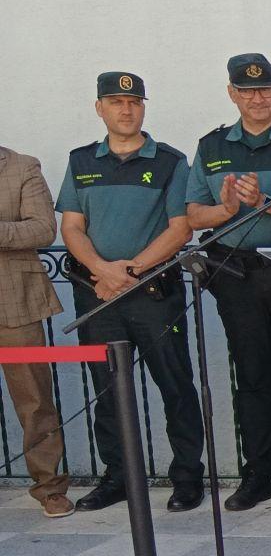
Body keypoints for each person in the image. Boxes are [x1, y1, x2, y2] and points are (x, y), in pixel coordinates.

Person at [184, 53, 271, 511]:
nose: (257, 98)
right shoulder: (211, 147)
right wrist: (226, 211)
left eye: (265, 89)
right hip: (236, 274)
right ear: (232, 94)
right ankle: (258, 475)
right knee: (250, 378)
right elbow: (191, 216)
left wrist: (264, 201)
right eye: (247, 91)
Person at [58, 71, 203, 515]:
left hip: (153, 292)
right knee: (107, 391)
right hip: (98, 294)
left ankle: (187, 478)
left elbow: (181, 228)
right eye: (116, 102)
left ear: (144, 106)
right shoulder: (81, 160)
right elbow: (71, 226)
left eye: (134, 101)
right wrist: (102, 270)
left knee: (175, 385)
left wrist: (131, 270)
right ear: (99, 108)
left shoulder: (171, 161)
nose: (126, 109)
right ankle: (119, 477)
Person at [0, 142, 69, 518]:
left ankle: (49, 487)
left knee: (33, 401)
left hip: (16, 302)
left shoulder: (23, 166)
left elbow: (43, 229)